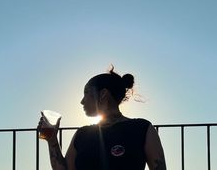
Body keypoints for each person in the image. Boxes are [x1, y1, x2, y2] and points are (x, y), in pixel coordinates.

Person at [38, 67, 167, 170]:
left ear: (103, 94)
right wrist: (52, 140)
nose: (82, 101)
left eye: (87, 93)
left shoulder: (142, 128)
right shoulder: (82, 134)